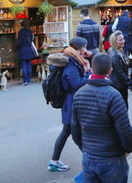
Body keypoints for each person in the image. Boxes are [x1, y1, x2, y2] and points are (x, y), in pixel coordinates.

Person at [71, 54, 132, 183]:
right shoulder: (114, 95)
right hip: (112, 159)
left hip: (89, 158)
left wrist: (85, 149)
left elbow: (75, 129)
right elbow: (124, 129)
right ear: (110, 71)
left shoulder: (79, 94)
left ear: (91, 70)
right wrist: (128, 149)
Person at [48, 37, 91, 172]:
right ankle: (91, 159)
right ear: (78, 49)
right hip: (71, 102)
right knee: (74, 131)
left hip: (71, 102)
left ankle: (54, 160)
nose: (86, 49)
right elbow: (76, 84)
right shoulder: (71, 63)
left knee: (68, 131)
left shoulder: (74, 58)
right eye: (84, 47)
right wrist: (89, 76)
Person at [108, 31, 130, 105]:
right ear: (114, 41)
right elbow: (119, 73)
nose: (123, 41)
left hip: (120, 84)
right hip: (118, 86)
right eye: (120, 40)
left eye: (123, 39)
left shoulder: (118, 51)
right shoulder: (115, 56)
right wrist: (130, 83)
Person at [17, 20, 35, 86]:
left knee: (24, 66)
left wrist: (17, 48)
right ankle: (29, 79)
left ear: (21, 25)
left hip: (22, 50)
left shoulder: (20, 32)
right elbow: (33, 41)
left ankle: (25, 81)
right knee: (29, 65)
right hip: (29, 50)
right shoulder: (30, 32)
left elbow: (19, 43)